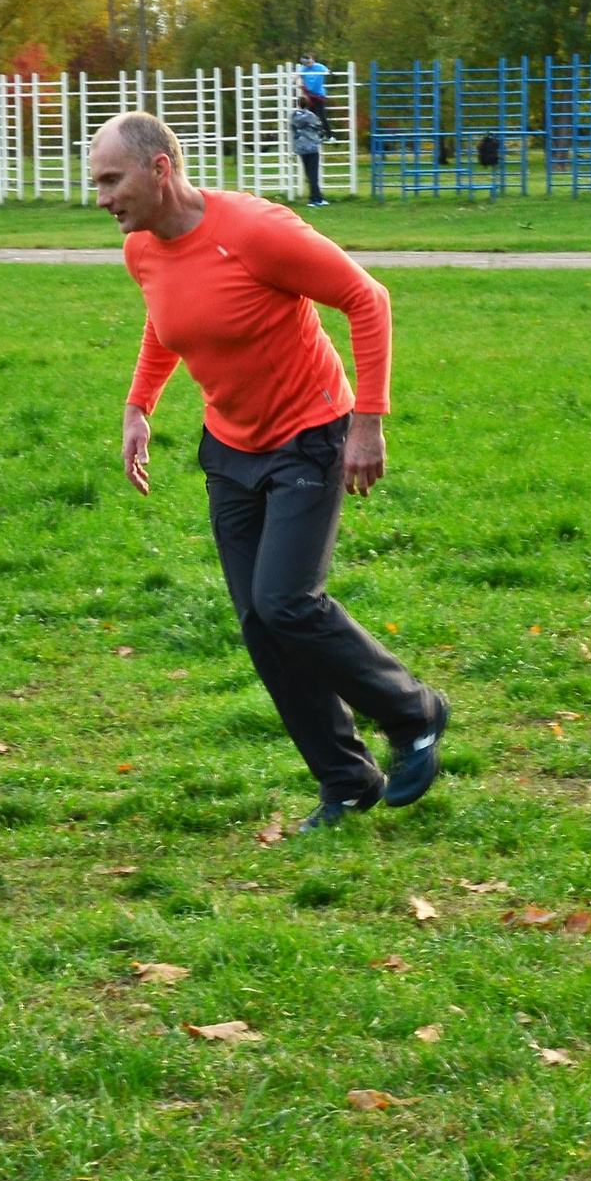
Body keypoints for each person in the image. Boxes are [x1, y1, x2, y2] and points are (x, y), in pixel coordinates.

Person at [90, 111, 447, 834]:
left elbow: (367, 299)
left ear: (159, 170)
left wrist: (368, 421)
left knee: (287, 603)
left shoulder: (253, 231)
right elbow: (168, 324)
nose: (100, 198)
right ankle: (346, 781)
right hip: (231, 448)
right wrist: (139, 404)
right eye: (95, 181)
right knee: (261, 623)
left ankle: (414, 712)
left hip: (310, 435)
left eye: (110, 179)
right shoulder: (143, 250)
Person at [290, 91, 330, 208]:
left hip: (301, 147)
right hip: (312, 147)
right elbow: (318, 128)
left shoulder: (294, 116)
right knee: (314, 174)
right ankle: (316, 198)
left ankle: (314, 197)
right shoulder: (311, 116)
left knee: (308, 173)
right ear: (308, 104)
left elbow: (293, 130)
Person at [298, 54, 331, 125]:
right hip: (309, 96)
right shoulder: (303, 69)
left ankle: (329, 135)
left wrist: (329, 72)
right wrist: (293, 80)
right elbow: (298, 75)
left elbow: (327, 71)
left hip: (319, 95)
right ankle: (315, 133)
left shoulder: (319, 67)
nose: (308, 65)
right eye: (305, 64)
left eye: (308, 63)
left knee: (322, 116)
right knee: (311, 116)